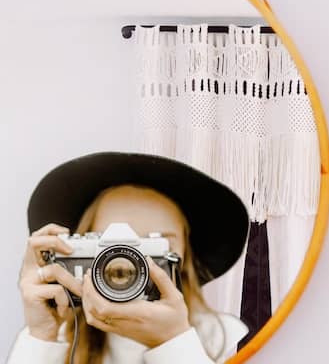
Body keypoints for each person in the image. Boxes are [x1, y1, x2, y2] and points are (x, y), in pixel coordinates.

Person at [7, 152, 251, 364]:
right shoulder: (57, 340)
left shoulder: (223, 337)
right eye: (112, 245)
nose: (131, 261)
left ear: (183, 260)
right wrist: (40, 336)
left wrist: (174, 341)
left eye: (154, 244)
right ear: (77, 256)